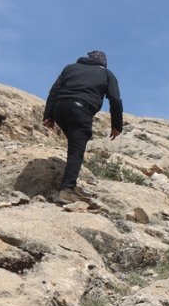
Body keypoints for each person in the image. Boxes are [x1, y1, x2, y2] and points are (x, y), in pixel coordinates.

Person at [43, 50, 123, 205]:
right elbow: (115, 99)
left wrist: (49, 115)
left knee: (74, 144)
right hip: (81, 109)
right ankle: (66, 190)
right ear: (103, 63)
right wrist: (116, 125)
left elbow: (54, 91)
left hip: (60, 109)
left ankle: (67, 185)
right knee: (76, 151)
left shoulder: (70, 68)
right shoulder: (107, 74)